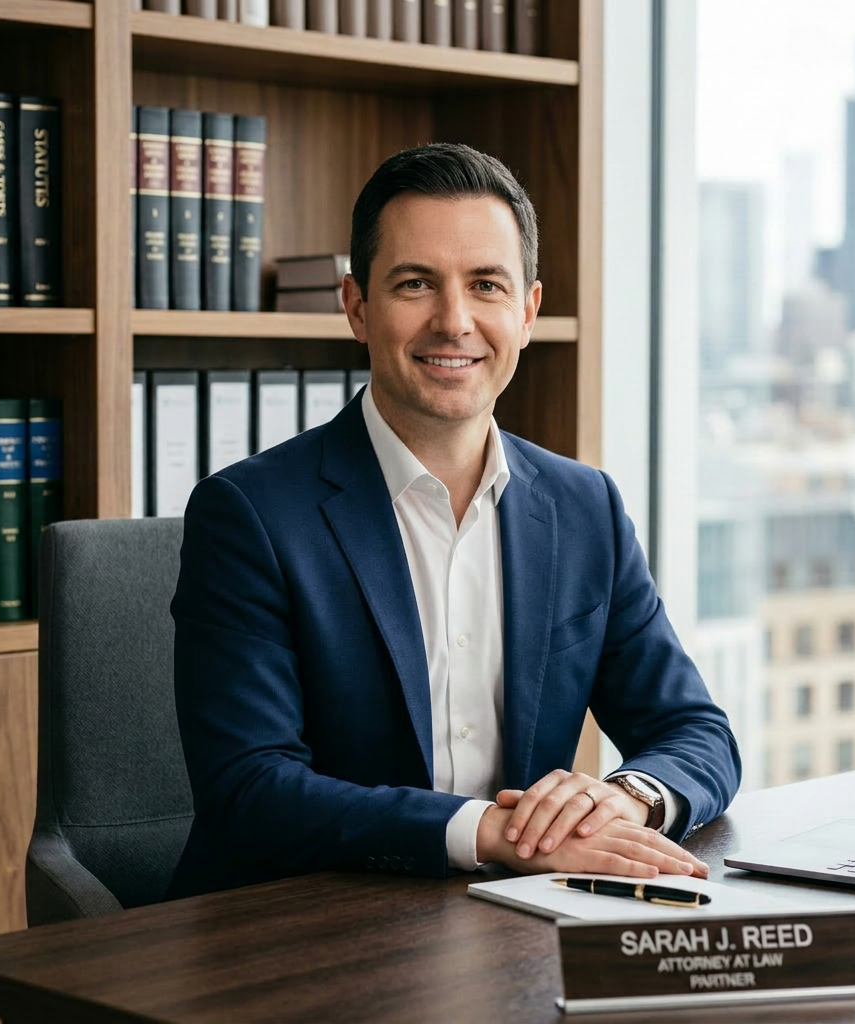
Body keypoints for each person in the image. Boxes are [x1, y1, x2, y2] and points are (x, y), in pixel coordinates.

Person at [166, 143, 740, 900]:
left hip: (508, 922)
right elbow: (251, 789)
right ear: (357, 307)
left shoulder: (583, 506)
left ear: (527, 312)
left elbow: (697, 733)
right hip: (298, 930)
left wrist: (626, 797)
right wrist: (488, 832)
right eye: (415, 284)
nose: (455, 320)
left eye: (486, 285)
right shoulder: (249, 515)